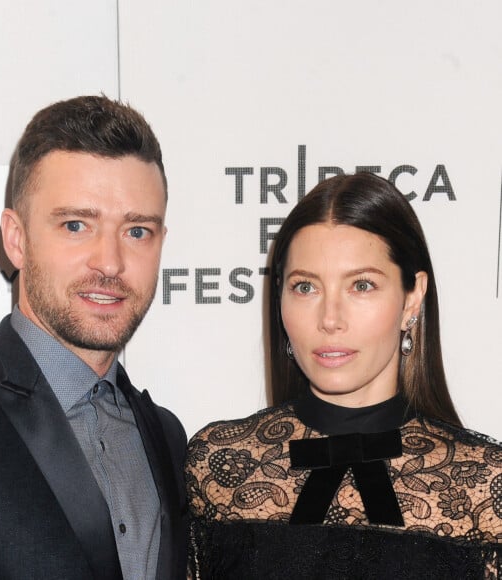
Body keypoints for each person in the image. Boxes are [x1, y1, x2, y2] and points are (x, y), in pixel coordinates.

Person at [186, 172, 502, 579]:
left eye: (362, 285)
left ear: (412, 297)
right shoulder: (219, 466)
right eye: (306, 288)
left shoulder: (485, 486)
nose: (330, 319)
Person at [0, 95, 187, 580]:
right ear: (16, 239)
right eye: (75, 225)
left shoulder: (166, 435)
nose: (109, 262)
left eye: (137, 231)